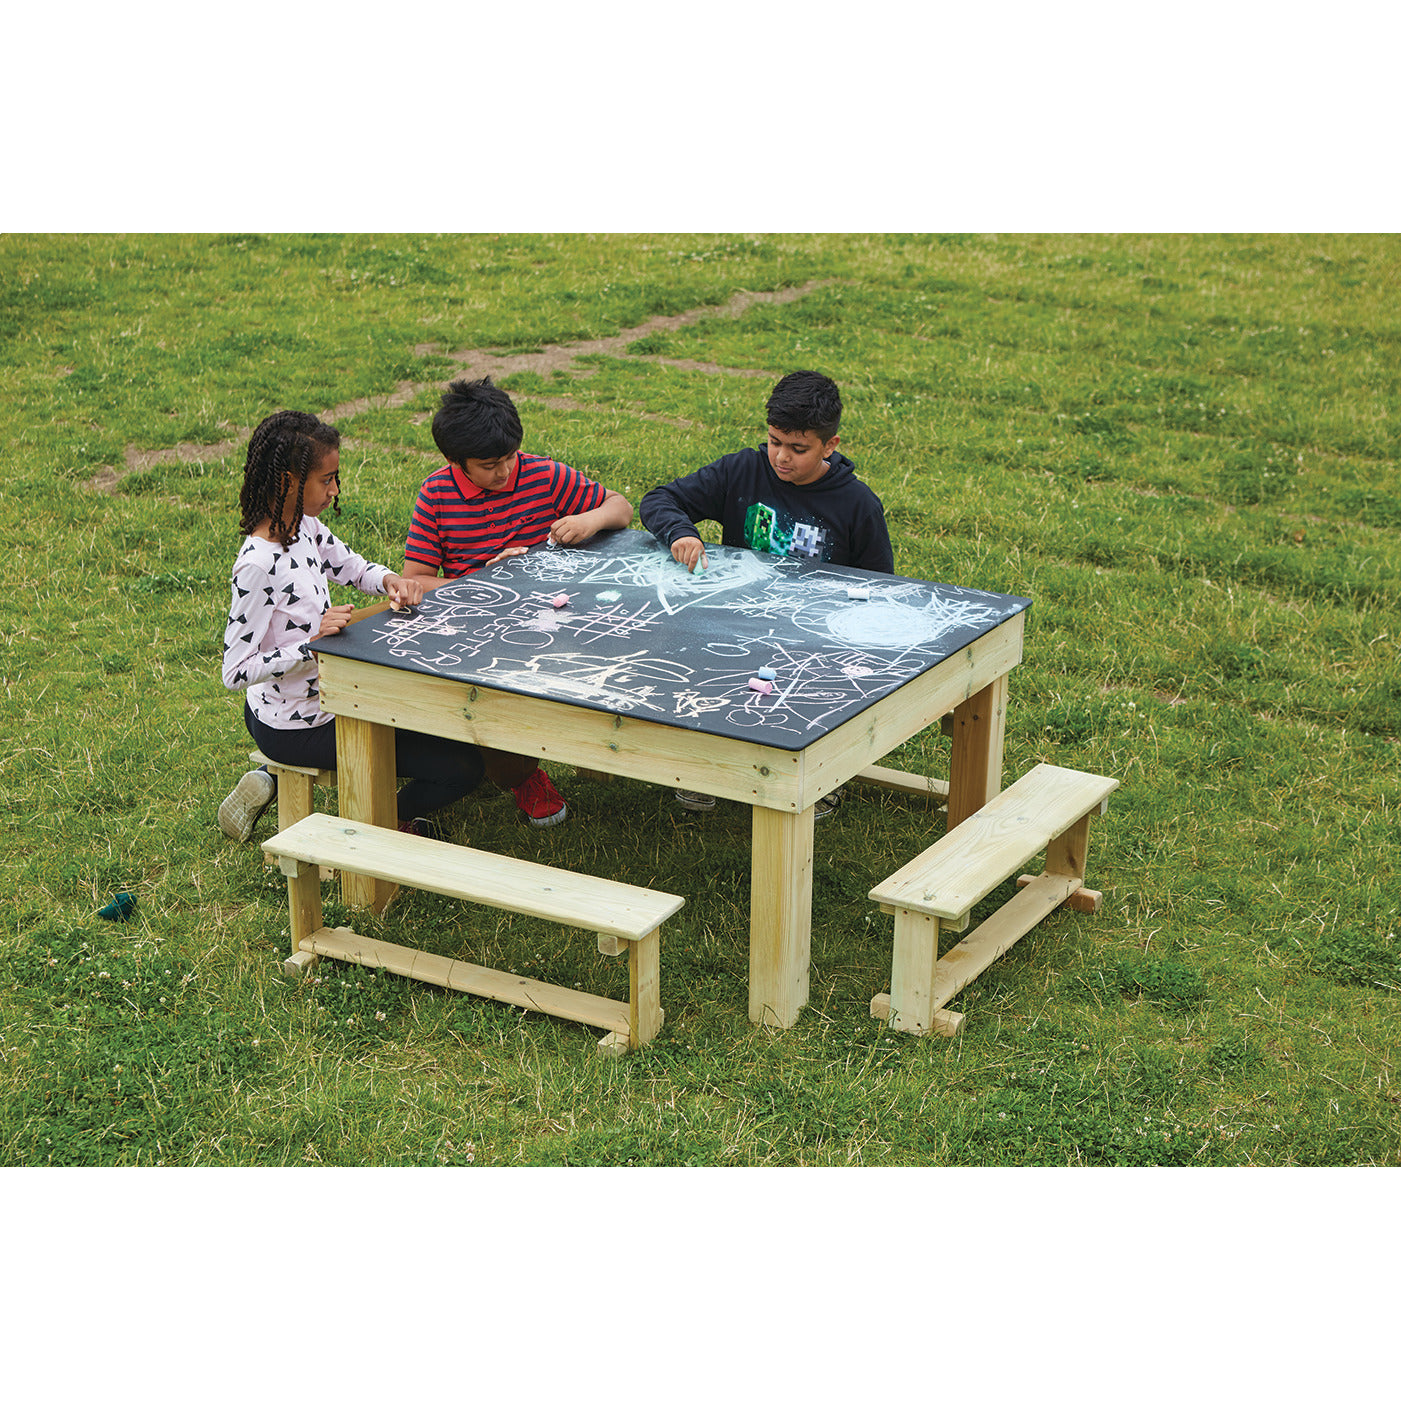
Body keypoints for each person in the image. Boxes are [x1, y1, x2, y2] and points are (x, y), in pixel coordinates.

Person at [217, 410, 485, 843]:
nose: (335, 491)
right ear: (287, 481)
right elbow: (235, 671)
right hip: (298, 724)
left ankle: (270, 777)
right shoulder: (257, 566)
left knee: (446, 728)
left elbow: (352, 567)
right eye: (326, 480)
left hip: (334, 694)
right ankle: (380, 824)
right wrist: (311, 644)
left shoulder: (303, 526)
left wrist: (391, 581)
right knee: (462, 768)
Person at [640, 370, 893, 817]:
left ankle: (820, 775)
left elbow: (881, 587)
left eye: (798, 448)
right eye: (774, 441)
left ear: (830, 445)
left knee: (820, 687)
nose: (781, 456)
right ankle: (707, 765)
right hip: (737, 622)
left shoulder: (857, 504)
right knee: (693, 649)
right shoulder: (742, 470)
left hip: (816, 635)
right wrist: (681, 532)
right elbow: (660, 499)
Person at [401, 377, 634, 827]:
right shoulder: (437, 494)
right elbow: (416, 581)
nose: (505, 472)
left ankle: (562, 753)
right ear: (454, 461)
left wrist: (589, 519)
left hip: (557, 616)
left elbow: (620, 508)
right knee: (499, 698)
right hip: (476, 628)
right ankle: (520, 774)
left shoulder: (543, 475)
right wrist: (485, 580)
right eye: (489, 466)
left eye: (510, 457)